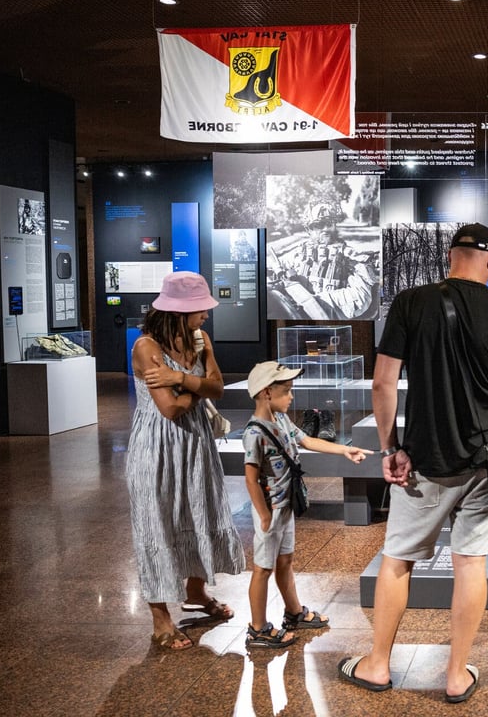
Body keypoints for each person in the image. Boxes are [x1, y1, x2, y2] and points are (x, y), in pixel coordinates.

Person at [337, 223, 488, 704]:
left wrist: (392, 448)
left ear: (451, 256)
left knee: (398, 560)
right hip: (486, 461)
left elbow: (383, 384)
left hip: (422, 461)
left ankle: (378, 665)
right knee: (471, 564)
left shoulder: (410, 302)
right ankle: (454, 676)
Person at [126, 271, 246, 650]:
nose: (207, 316)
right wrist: (198, 387)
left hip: (196, 446)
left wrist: (181, 379)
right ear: (180, 311)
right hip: (156, 448)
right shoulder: (147, 348)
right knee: (158, 524)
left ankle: (197, 592)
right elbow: (170, 409)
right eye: (201, 310)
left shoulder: (200, 340)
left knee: (199, 513)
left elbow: (219, 387)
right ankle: (161, 619)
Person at [241, 361, 369, 648]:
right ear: (265, 393)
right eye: (286, 391)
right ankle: (258, 628)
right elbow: (250, 479)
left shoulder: (282, 420)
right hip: (270, 509)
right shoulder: (255, 433)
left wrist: (344, 449)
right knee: (263, 567)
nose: (291, 396)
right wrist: (263, 514)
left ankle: (294, 612)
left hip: (286, 505)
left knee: (285, 560)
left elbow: (308, 440)